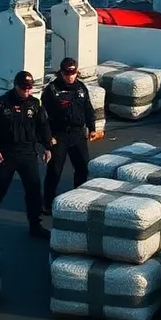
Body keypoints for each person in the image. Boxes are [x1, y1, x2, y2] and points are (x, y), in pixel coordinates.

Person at [0, 70, 53, 239]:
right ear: (16, 86)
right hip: (7, 154)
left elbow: (43, 127)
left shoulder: (35, 104)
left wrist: (48, 147)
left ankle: (35, 226)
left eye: (29, 88)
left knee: (34, 191)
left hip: (28, 153)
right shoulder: (0, 105)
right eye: (23, 88)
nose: (27, 91)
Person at [41, 57, 101, 213]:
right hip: (58, 135)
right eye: (67, 73)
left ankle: (77, 199)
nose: (70, 76)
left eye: (73, 72)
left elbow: (88, 108)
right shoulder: (51, 90)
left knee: (83, 167)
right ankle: (47, 203)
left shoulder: (81, 88)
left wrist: (92, 127)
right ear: (61, 73)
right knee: (55, 170)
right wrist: (47, 138)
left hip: (77, 134)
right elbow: (42, 118)